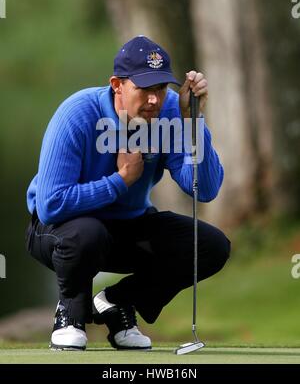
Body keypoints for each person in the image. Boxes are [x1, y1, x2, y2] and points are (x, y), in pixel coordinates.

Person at [25, 35, 230, 351]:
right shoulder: (78, 114)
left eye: (160, 89)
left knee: (211, 246)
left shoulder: (172, 111)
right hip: (57, 230)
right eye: (144, 90)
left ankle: (118, 303)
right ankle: (70, 312)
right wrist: (120, 181)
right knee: (87, 233)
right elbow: (52, 205)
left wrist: (193, 122)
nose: (154, 100)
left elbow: (204, 189)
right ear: (117, 85)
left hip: (127, 226)